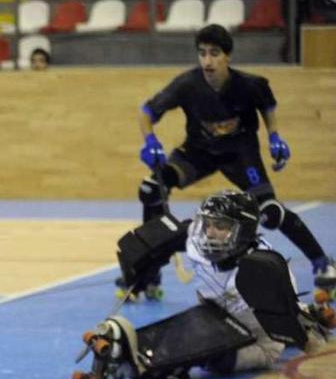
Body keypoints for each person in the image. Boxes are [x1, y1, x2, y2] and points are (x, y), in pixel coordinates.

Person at [125, 24, 335, 301]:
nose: (207, 61)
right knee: (152, 190)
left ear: (228, 57)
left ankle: (323, 263)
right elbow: (146, 111)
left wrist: (274, 137)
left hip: (240, 153)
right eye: (202, 54)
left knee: (270, 213)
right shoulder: (187, 84)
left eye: (214, 53)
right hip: (199, 152)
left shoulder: (249, 84)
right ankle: (147, 274)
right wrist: (149, 141)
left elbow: (267, 106)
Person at [74, 190, 332, 379]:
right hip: (213, 316)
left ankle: (139, 366)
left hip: (257, 340)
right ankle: (136, 351)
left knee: (215, 360)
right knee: (194, 331)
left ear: (242, 231)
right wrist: (145, 264)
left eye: (220, 226)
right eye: (208, 224)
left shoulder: (263, 268)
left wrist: (306, 324)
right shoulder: (198, 244)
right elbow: (163, 240)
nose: (210, 232)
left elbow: (297, 335)